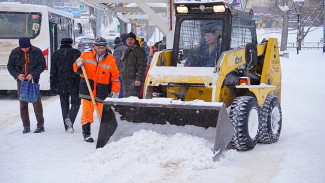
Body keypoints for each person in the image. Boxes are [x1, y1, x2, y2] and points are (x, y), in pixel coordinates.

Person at [73, 37, 120, 142]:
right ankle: (86, 134)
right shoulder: (85, 55)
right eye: (99, 47)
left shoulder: (110, 60)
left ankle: (107, 134)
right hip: (87, 88)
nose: (101, 50)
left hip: (102, 90)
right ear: (94, 46)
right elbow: (75, 68)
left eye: (103, 47)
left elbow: (115, 78)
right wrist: (77, 64)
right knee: (86, 113)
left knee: (103, 114)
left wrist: (115, 91)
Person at [7, 37, 46, 134]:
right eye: (23, 48)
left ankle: (40, 125)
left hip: (33, 80)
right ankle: (26, 126)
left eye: (27, 47)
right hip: (21, 81)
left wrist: (33, 74)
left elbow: (42, 65)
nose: (25, 49)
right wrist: (17, 75)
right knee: (23, 105)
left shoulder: (37, 51)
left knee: (37, 104)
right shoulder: (14, 52)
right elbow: (10, 66)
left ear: (30, 45)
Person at [50, 38, 81, 133]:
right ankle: (70, 119)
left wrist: (53, 84)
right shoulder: (76, 53)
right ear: (71, 43)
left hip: (61, 82)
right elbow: (80, 69)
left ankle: (67, 126)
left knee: (64, 104)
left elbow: (53, 71)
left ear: (61, 43)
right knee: (76, 103)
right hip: (74, 82)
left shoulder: (55, 54)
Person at [119, 32, 147, 98]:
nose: (129, 41)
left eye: (131, 39)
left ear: (134, 40)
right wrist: (121, 73)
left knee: (132, 99)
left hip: (134, 79)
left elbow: (142, 66)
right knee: (126, 98)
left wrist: (138, 79)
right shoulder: (126, 50)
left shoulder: (139, 50)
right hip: (125, 80)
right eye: (128, 39)